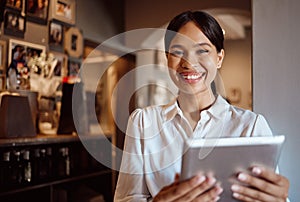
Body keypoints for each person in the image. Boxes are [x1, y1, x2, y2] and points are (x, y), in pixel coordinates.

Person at [114, 10, 290, 202]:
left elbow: (266, 195)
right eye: (178, 52)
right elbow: (126, 199)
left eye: (202, 50)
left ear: (219, 58)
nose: (189, 63)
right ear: (167, 59)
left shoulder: (250, 126)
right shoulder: (143, 122)